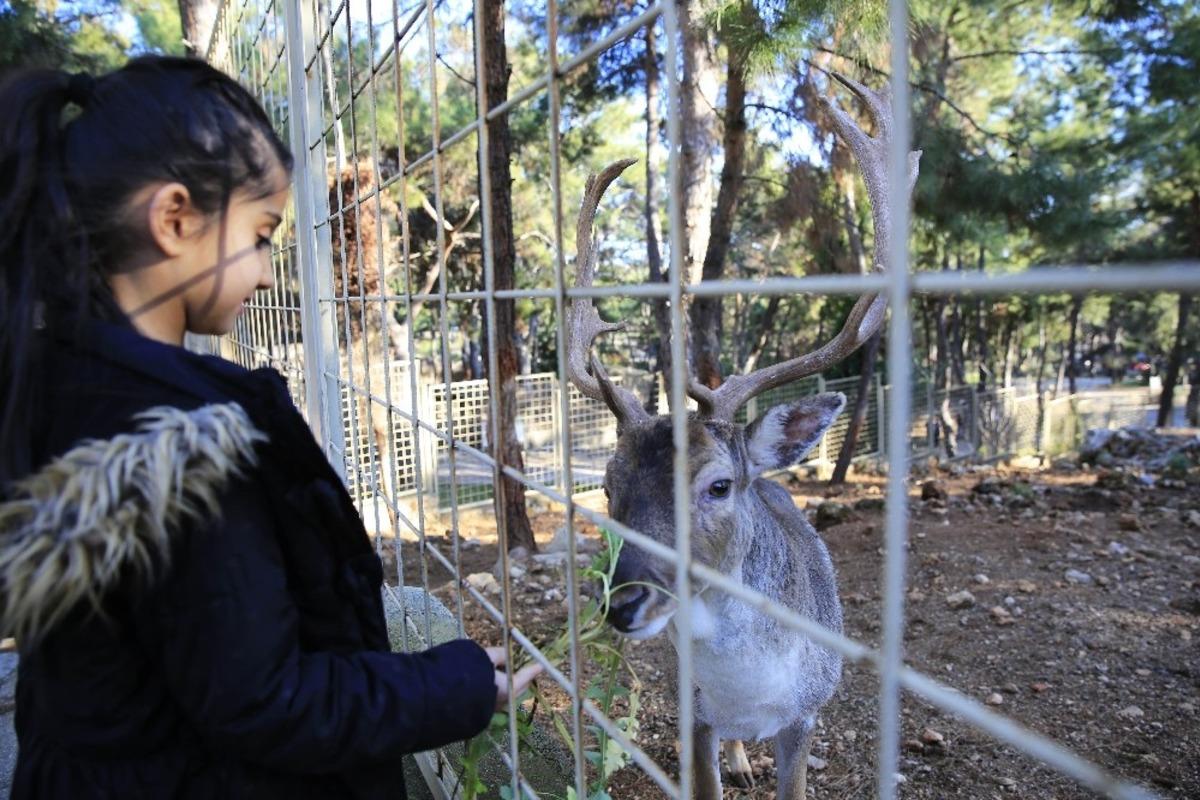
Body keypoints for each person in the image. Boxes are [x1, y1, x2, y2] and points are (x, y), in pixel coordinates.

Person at [0, 55, 540, 798]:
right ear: (175, 220)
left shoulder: (50, 388)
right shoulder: (181, 446)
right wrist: (457, 684)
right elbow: (267, 701)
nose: (263, 272)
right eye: (260, 235)